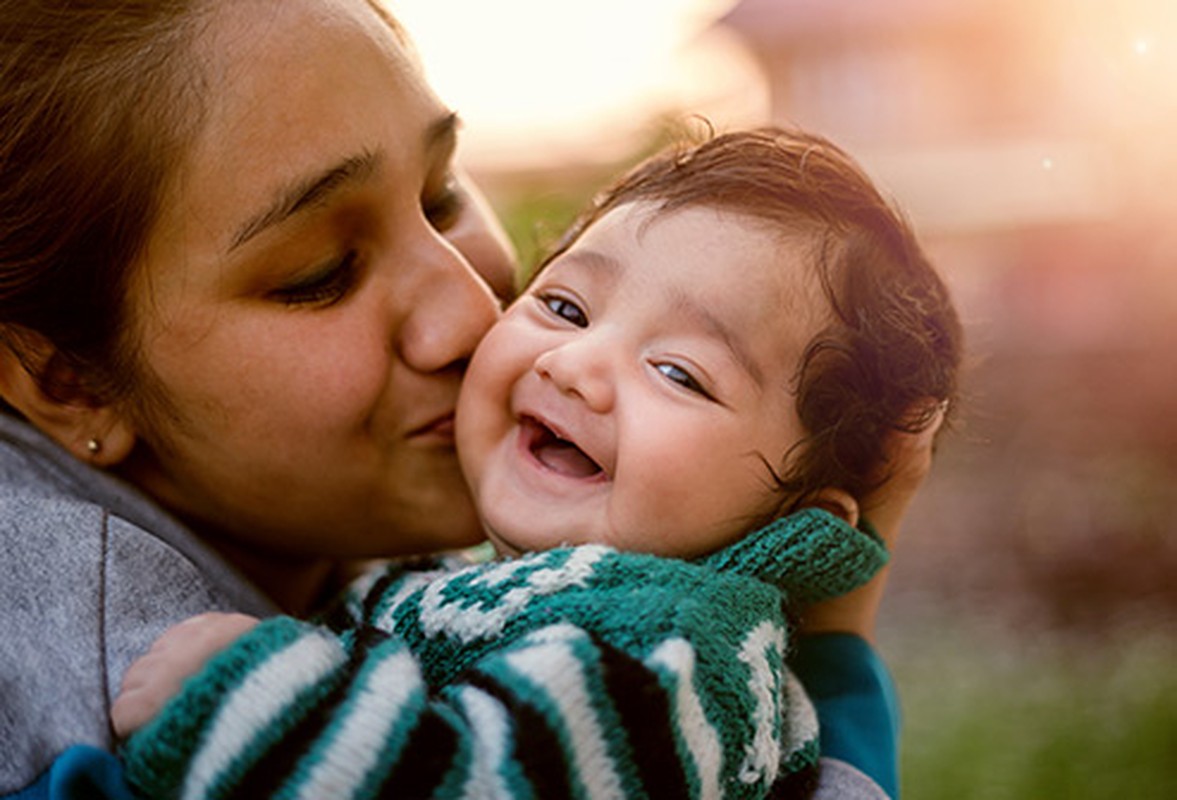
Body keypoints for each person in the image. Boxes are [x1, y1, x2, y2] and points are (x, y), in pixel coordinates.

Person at [0, 0, 940, 797]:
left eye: (444, 190)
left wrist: (827, 642)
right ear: (68, 380)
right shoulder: (67, 669)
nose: (471, 310)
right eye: (322, 272)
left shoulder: (646, 627)